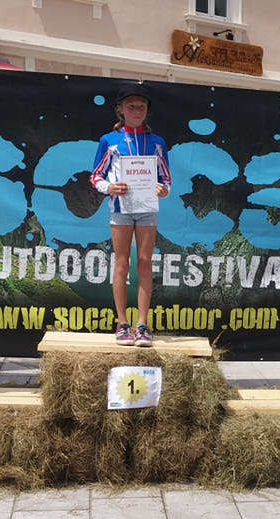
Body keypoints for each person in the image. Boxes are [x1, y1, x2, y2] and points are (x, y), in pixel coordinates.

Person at [89, 83, 171, 346]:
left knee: (145, 263)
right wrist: (109, 187)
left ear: (147, 110)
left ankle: (142, 324)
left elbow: (166, 179)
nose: (136, 111)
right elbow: (95, 176)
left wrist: (163, 190)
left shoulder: (157, 142)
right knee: (122, 264)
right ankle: (122, 323)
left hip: (147, 209)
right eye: (131, 106)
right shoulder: (109, 141)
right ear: (120, 109)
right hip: (121, 209)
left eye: (141, 107)